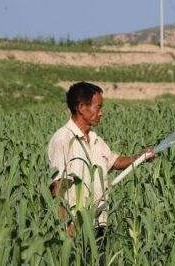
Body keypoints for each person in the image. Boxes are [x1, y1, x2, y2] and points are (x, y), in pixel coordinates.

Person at [47, 81, 155, 236]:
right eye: (98, 107)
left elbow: (114, 161)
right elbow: (57, 188)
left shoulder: (95, 139)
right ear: (82, 108)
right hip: (75, 226)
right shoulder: (63, 139)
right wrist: (65, 227)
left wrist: (140, 157)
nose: (101, 112)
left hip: (99, 223)